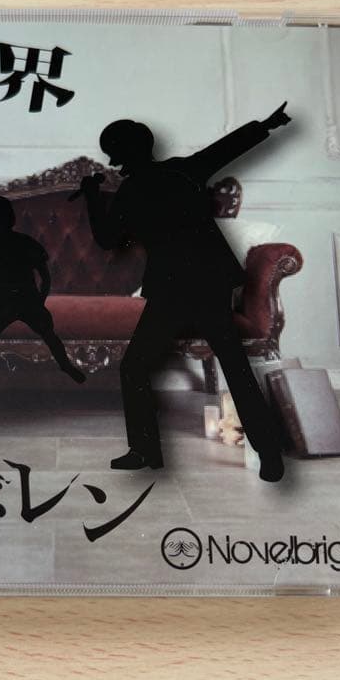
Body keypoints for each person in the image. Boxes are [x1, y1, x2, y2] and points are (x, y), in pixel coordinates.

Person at [75, 104, 292, 480]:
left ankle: (144, 452)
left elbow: (107, 239)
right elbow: (228, 148)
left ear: (121, 154)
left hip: (172, 288)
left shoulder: (129, 191)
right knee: (235, 366)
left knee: (134, 367)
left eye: (113, 152)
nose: (111, 160)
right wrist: (267, 124)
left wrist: (92, 196)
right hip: (209, 282)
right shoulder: (184, 169)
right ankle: (270, 455)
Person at [0, 195, 85, 406]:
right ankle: (64, 366)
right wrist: (40, 299)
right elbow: (45, 277)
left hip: (12, 302)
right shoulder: (20, 243)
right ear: (12, 218)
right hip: (16, 302)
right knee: (46, 336)